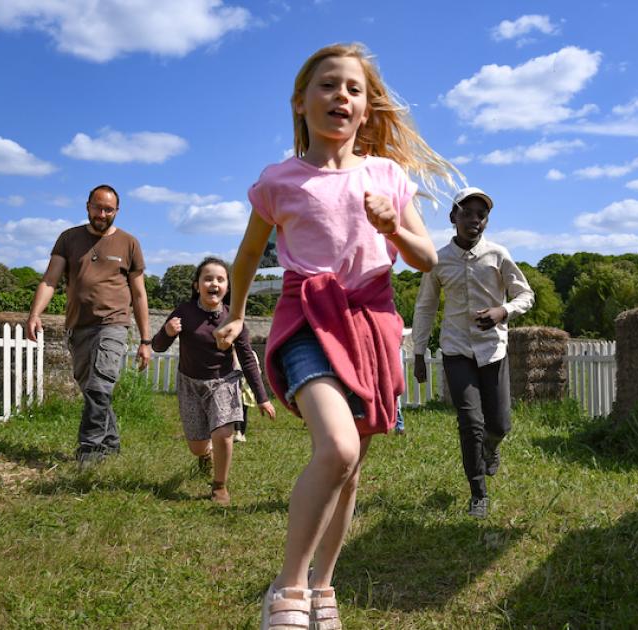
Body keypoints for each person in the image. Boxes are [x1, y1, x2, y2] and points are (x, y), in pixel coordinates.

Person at [214, 42, 460, 630]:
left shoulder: (387, 176)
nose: (340, 97)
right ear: (300, 102)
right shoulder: (280, 180)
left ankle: (324, 588)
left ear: (368, 108)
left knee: (350, 471)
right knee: (339, 448)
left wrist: (392, 225)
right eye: (327, 85)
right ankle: (287, 589)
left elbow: (426, 258)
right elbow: (249, 254)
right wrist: (237, 313)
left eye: (353, 89)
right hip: (307, 318)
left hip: (371, 324)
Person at [411, 187, 534, 519]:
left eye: (481, 215)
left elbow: (526, 295)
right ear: (453, 218)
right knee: (469, 421)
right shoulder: (437, 261)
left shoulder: (498, 255)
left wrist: (502, 311)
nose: (474, 220)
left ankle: (491, 447)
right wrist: (419, 353)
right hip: (456, 350)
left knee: (500, 424)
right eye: (467, 213)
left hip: (493, 349)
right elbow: (425, 308)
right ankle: (478, 491)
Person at [25, 184, 152, 466]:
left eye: (109, 209)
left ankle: (89, 451)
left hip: (113, 324)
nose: (102, 213)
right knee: (92, 389)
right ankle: (111, 443)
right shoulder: (68, 239)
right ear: (87, 206)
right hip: (78, 327)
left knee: (99, 385)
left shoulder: (129, 243)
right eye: (98, 207)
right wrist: (35, 314)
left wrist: (146, 340)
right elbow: (50, 280)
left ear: (117, 211)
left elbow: (139, 293)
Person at [151, 257, 275, 506]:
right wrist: (167, 332)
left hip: (224, 381)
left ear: (228, 287)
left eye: (220, 279)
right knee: (197, 447)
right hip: (190, 383)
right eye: (208, 278)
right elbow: (158, 346)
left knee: (224, 433)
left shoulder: (234, 318)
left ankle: (219, 486)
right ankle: (205, 455)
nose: (214, 283)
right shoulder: (184, 312)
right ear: (197, 285)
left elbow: (248, 359)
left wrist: (262, 398)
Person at [235, 348, 263, 443]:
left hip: (245, 386)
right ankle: (237, 432)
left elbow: (257, 371)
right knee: (235, 409)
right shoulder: (229, 353)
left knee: (243, 410)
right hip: (233, 385)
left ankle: (241, 434)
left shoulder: (252, 353)